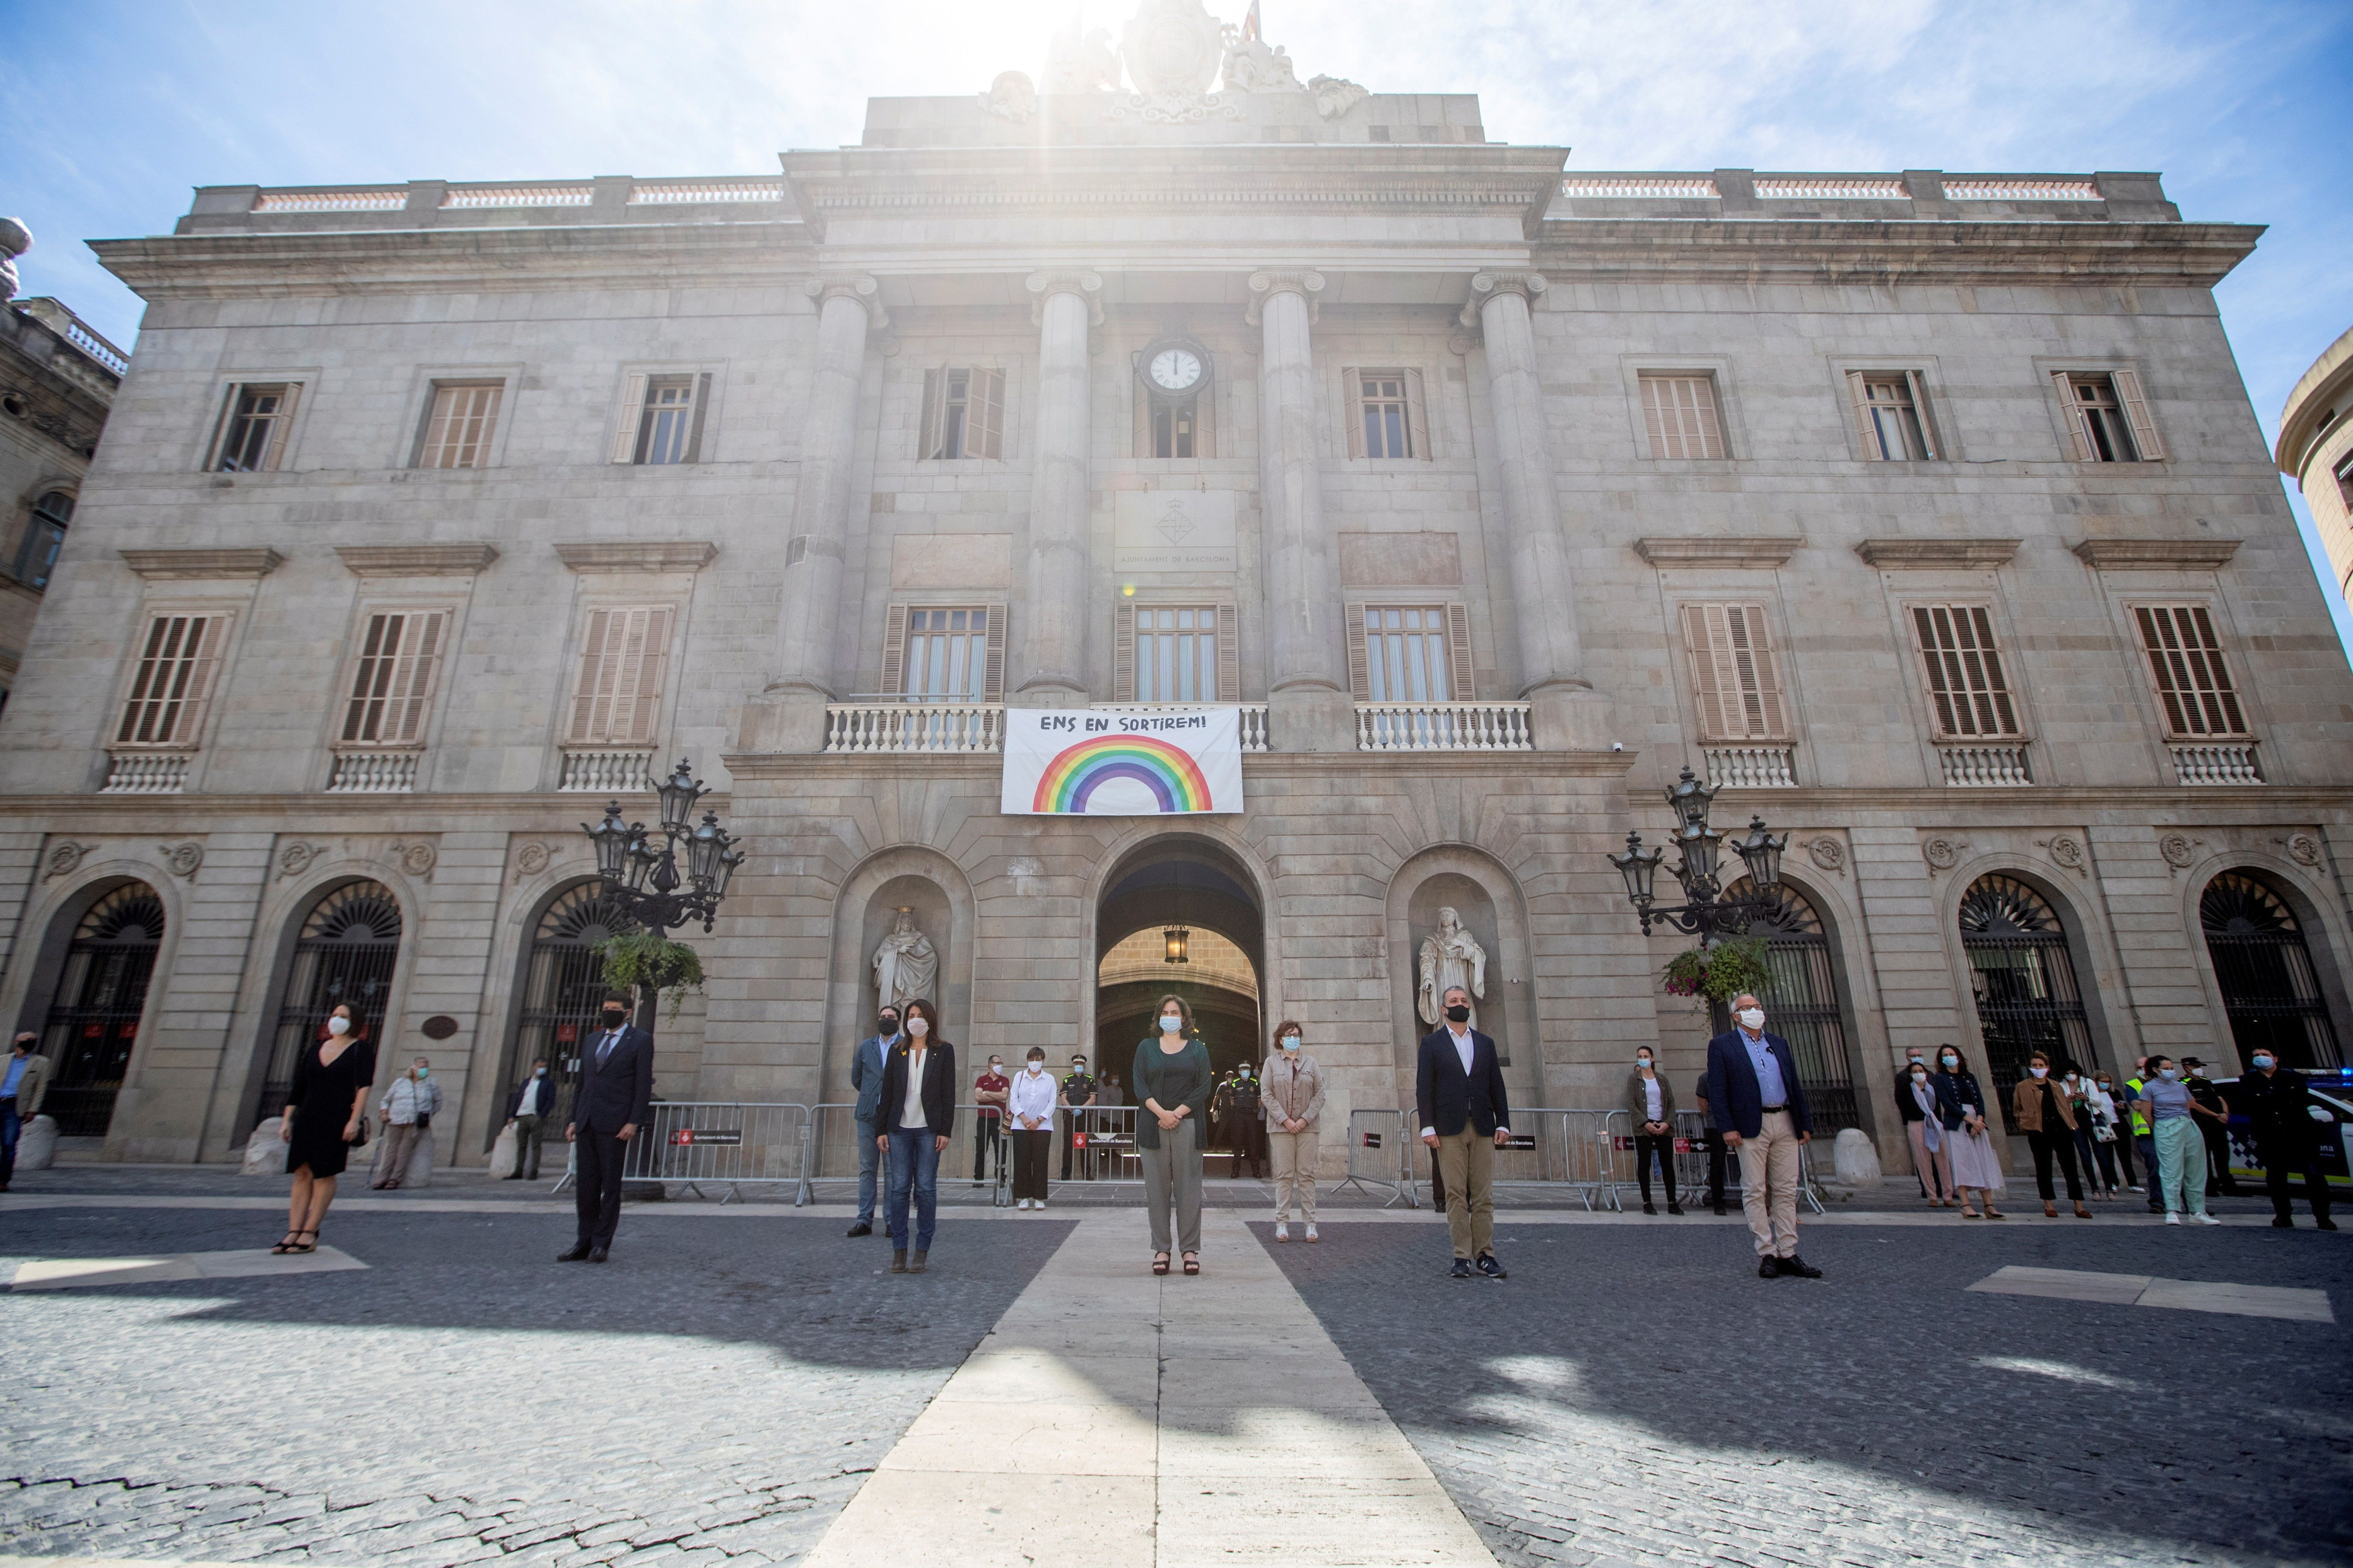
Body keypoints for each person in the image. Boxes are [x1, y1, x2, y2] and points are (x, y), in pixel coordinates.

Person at [1705, 994, 1821, 1279]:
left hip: (1784, 1119)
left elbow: (1794, 1084)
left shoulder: (1778, 1044)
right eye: (1747, 1008)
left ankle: (1788, 1252)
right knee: (1755, 1189)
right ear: (1736, 1016)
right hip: (1749, 1124)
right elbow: (1718, 1091)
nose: (1754, 1011)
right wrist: (1726, 1127)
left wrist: (1804, 1123)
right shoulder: (1722, 1046)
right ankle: (1766, 1252)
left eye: (1757, 1007)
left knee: (1785, 1188)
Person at [1417, 983, 1512, 1280]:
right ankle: (1461, 1255)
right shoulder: (1432, 1045)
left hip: (1483, 1126)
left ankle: (1486, 1254)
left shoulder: (1485, 1043)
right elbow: (1424, 1089)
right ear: (1443, 1009)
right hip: (1448, 1128)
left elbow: (1497, 1085)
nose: (1460, 1004)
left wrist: (1503, 1121)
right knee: (1456, 1193)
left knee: (1483, 1195)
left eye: (1463, 1000)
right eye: (1453, 1001)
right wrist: (1427, 1126)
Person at [272, 1003, 374, 1255]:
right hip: (308, 1116)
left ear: (355, 1022)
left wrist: (354, 1120)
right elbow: (300, 1086)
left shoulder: (361, 1049)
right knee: (301, 1172)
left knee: (324, 1173)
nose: (336, 1020)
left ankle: (310, 1231)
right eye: (335, 1015)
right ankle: (293, 1231)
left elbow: (364, 1086)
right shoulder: (315, 1049)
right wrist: (287, 1119)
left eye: (343, 1017)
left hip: (337, 1117)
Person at [559, 992, 654, 1263]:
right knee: (585, 1186)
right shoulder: (591, 1040)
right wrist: (573, 1119)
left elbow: (642, 1085)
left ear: (627, 1012)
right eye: (605, 1008)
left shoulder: (640, 1041)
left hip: (616, 1123)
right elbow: (582, 1084)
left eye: (614, 1008)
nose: (608, 1012)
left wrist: (634, 1121)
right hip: (587, 1121)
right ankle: (583, 1240)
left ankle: (602, 1243)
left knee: (610, 1186)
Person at [875, 997, 955, 1272]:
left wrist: (946, 1130)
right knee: (898, 1189)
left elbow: (949, 1093)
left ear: (930, 1019)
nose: (915, 1019)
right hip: (899, 1128)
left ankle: (922, 1249)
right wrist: (881, 1130)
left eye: (920, 1014)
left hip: (928, 1129)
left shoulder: (943, 1051)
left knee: (925, 1188)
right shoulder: (898, 1051)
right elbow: (887, 1093)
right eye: (911, 1015)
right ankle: (899, 1249)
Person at [1135, 995, 1212, 1275]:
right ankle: (1161, 1248)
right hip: (1153, 1126)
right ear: (1158, 1018)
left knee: (1189, 1189)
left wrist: (1176, 1114)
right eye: (1165, 1012)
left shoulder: (1198, 1049)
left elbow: (1204, 1086)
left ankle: (1189, 1248)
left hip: (1188, 1124)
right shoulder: (1146, 1048)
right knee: (1156, 1190)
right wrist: (1162, 1114)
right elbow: (1140, 1085)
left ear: (1184, 1018)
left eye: (1175, 1012)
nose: (1170, 1016)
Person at [2238, 1047, 2337, 1229]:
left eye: (2265, 1055)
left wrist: (2266, 1096)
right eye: (2256, 1056)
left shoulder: (2292, 1076)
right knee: (2276, 1178)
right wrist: (2278, 1096)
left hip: (2300, 1133)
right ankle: (2283, 1216)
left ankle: (2323, 1218)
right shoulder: (2248, 1080)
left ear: (2275, 1058)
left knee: (2315, 1176)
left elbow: (2299, 1097)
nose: (2260, 1058)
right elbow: (2249, 1101)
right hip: (2270, 1135)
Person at [1261, 1020, 1325, 1242]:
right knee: (1285, 1176)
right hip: (1281, 1129)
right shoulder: (1271, 1064)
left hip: (1308, 1129)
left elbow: (1320, 1094)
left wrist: (1305, 1119)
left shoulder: (1311, 1063)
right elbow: (1267, 1094)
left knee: (1306, 1176)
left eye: (1296, 1034)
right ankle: (1282, 1224)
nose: (1293, 1038)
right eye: (1289, 1035)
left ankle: (1310, 1225)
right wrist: (1286, 1120)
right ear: (1280, 1039)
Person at [2009, 1050, 2092, 1219]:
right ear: (2030, 1067)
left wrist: (2070, 1123)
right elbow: (2017, 1109)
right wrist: (2025, 1122)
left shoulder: (2055, 1086)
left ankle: (2078, 1205)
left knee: (2070, 1167)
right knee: (2043, 1167)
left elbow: (2063, 1105)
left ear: (2047, 1068)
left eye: (2041, 1066)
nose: (2038, 1068)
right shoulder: (2023, 1087)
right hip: (2038, 1130)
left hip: (2061, 1128)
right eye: (2034, 1066)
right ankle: (2049, 1204)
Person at [2141, 1054, 2222, 1226]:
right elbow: (2146, 1114)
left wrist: (2215, 1115)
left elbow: (2190, 1106)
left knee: (2196, 1169)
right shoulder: (2149, 1088)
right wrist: (2160, 1129)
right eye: (2166, 1068)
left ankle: (2197, 1211)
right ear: (2156, 1070)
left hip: (2187, 1124)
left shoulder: (2180, 1086)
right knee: (2171, 1169)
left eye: (2172, 1068)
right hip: (2166, 1126)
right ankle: (2172, 1210)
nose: (2170, 1071)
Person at [1931, 1044, 2004, 1219]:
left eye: (1952, 1054)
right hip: (1957, 1122)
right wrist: (1968, 1119)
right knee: (1962, 1162)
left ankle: (1989, 1205)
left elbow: (1979, 1099)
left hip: (1977, 1123)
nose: (1949, 1057)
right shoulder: (1940, 1078)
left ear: (1959, 1057)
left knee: (1983, 1161)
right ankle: (1965, 1204)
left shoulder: (1969, 1077)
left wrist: (1979, 1120)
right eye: (1945, 1055)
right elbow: (1946, 1103)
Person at [845, 1005, 900, 1237]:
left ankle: (891, 1220)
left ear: (899, 1021)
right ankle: (864, 1220)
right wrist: (872, 1093)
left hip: (894, 1117)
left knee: (892, 1172)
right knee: (867, 1169)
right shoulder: (866, 1046)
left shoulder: (905, 1046)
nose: (887, 1019)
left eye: (891, 1017)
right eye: (883, 1016)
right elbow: (857, 1078)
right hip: (868, 1115)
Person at [1626, 1046, 1681, 1216]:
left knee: (1667, 1165)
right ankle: (1647, 1202)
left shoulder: (1662, 1080)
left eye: (1646, 1056)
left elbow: (1671, 1103)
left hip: (1663, 1125)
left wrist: (1667, 1123)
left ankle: (1672, 1202)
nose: (1643, 1058)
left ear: (1652, 1058)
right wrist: (1645, 1123)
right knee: (1644, 1163)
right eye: (1640, 1056)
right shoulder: (1634, 1080)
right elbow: (1632, 1104)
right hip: (1644, 1127)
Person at [372, 1056, 442, 1190]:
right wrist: (384, 1113)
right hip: (395, 1119)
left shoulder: (431, 1084)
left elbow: (438, 1102)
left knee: (404, 1152)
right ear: (414, 1068)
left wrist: (428, 1115)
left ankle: (395, 1179)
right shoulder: (400, 1082)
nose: (425, 1070)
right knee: (391, 1150)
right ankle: (382, 1178)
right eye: (422, 1067)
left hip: (414, 1122)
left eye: (426, 1067)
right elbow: (386, 1100)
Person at [0, 1033, 52, 1193]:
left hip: (15, 1107)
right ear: (16, 1042)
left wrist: (33, 1110)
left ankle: (3, 1180)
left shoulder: (41, 1063)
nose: (30, 1042)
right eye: (27, 1040)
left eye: (33, 1040)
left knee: (9, 1144)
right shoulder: (3, 1060)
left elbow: (40, 1089)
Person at [1901, 1056, 1957, 1207]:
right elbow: (1902, 1106)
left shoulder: (1934, 1088)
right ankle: (1931, 1195)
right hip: (1917, 1124)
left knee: (1943, 1160)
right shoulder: (1907, 1089)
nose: (1918, 1073)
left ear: (1926, 1073)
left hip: (1935, 1125)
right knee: (1923, 1161)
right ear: (1911, 1075)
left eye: (1921, 1071)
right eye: (1915, 1072)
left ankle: (1948, 1195)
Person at [2181, 1057, 2239, 1197]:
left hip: (2217, 1124)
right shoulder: (2183, 1084)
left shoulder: (2206, 1082)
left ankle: (2228, 1186)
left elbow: (2220, 1099)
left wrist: (2225, 1113)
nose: (2199, 1068)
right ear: (2187, 1067)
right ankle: (2209, 1186)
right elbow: (2193, 1104)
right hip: (2201, 1124)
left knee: (2223, 1155)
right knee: (2204, 1157)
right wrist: (2215, 1115)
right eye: (2196, 1066)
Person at [1008, 1045, 1058, 1209]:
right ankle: (1022, 1197)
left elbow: (1052, 1102)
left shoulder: (1049, 1079)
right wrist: (1023, 1118)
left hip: (1042, 1127)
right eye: (1031, 1060)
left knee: (1040, 1161)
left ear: (1043, 1060)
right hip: (1021, 1125)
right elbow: (1013, 1099)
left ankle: (1039, 1198)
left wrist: (1039, 1120)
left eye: (1038, 1060)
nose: (1035, 1063)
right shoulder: (1020, 1076)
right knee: (1022, 1161)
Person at [2063, 1066, 2116, 1200]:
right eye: (2068, 1073)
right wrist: (2068, 1101)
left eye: (2073, 1073)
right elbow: (2061, 1105)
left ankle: (2109, 1189)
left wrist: (2086, 1098)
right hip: (2076, 1122)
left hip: (2093, 1120)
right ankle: (2095, 1189)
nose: (2070, 1075)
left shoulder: (2087, 1083)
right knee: (2085, 1156)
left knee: (2101, 1155)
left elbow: (2098, 1101)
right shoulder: (2061, 1085)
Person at [504, 1057, 554, 1181]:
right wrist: (512, 1115)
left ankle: (533, 1171)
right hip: (522, 1116)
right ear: (534, 1067)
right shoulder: (526, 1082)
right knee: (522, 1145)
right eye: (539, 1066)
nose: (542, 1068)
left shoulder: (548, 1083)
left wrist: (541, 1115)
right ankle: (518, 1170)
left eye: (544, 1066)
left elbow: (550, 1101)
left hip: (536, 1117)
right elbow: (518, 1099)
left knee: (536, 1145)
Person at [2124, 1058, 2162, 1212]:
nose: (2142, 1070)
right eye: (2139, 1067)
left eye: (2144, 1067)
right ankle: (2158, 1203)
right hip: (2146, 1133)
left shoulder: (2163, 1083)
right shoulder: (2132, 1085)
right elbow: (2137, 1105)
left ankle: (2190, 1204)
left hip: (2168, 1130)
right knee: (2154, 1167)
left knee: (2180, 1168)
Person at [1691, 1069, 1727, 1215]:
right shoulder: (1705, 1078)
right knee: (1717, 1163)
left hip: (1736, 1122)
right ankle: (1718, 1201)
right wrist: (1713, 1117)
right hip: (1716, 1125)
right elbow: (1702, 1104)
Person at [972, 1053, 1009, 1186]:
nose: (1000, 1066)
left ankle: (1000, 1178)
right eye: (997, 1063)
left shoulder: (1004, 1080)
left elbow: (1004, 1096)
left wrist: (987, 1093)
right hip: (984, 1119)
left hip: (999, 1119)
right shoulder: (982, 1080)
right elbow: (978, 1097)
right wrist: (996, 1096)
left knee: (1001, 1149)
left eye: (1001, 1063)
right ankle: (978, 1179)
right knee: (981, 1149)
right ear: (990, 1065)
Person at [1059, 1053, 1096, 1182]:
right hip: (1070, 1116)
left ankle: (1087, 1174)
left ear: (1084, 1065)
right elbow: (1063, 1098)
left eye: (1081, 1064)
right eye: (1076, 1064)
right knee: (1068, 1145)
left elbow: (1093, 1098)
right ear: (1073, 1065)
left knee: (1084, 1145)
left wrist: (1081, 1108)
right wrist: (1072, 1109)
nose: (1078, 1066)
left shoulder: (1089, 1080)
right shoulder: (1067, 1079)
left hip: (1084, 1116)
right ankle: (1065, 1174)